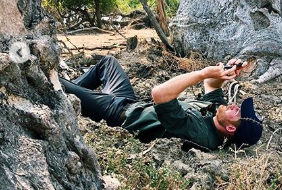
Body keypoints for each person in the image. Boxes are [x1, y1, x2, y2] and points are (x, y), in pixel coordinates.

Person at [60, 55, 263, 150]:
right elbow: (212, 85)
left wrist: (201, 73)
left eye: (238, 112)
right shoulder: (217, 116)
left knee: (55, 85)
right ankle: (69, 98)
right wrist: (227, 72)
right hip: (131, 103)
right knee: (107, 63)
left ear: (230, 128)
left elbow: (160, 94)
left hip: (117, 114)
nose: (235, 105)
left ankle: (64, 98)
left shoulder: (200, 134)